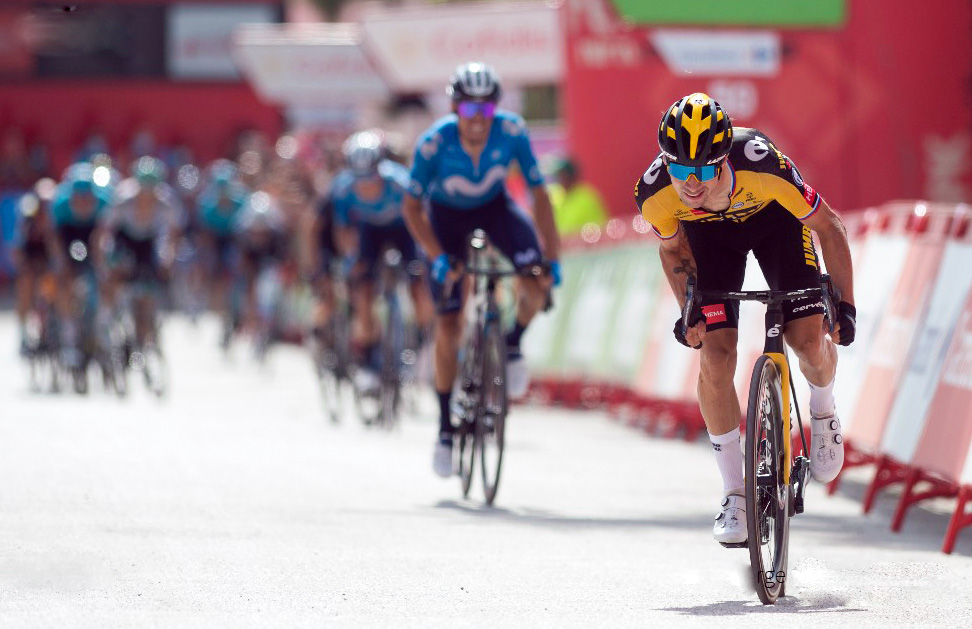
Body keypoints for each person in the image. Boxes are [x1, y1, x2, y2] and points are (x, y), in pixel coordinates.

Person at [634, 93, 856, 545]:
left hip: (777, 226)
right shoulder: (654, 193)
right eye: (679, 170)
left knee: (808, 342)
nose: (690, 182)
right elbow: (674, 250)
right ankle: (735, 492)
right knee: (714, 357)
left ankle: (824, 407)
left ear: (723, 159)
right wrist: (688, 310)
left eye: (701, 170)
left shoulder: (762, 164)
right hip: (710, 240)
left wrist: (845, 305)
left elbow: (829, 226)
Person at [401, 62, 561, 478]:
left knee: (536, 284)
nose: (477, 120)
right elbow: (412, 208)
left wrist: (553, 258)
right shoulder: (434, 143)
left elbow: (539, 196)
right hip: (445, 220)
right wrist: (437, 256)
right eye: (468, 111)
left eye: (485, 111)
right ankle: (444, 432)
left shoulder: (511, 132)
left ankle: (510, 343)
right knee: (450, 324)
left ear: (495, 110)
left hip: (495, 210)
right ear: (455, 109)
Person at [331, 129, 433, 393]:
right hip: (370, 233)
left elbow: (421, 218)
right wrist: (352, 260)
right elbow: (344, 231)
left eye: (371, 179)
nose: (365, 186)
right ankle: (366, 361)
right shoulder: (343, 188)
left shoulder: (401, 182)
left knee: (419, 283)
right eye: (360, 180)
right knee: (362, 291)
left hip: (404, 230)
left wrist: (424, 255)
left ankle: (421, 341)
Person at [546, 157, 608, 236]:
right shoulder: (555, 197)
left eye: (563, 175)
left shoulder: (587, 197)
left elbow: (599, 227)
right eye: (557, 176)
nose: (559, 180)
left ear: (572, 176)